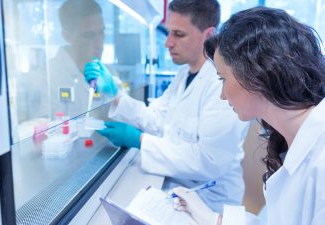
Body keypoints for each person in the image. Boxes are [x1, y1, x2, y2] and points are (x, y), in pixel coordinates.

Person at [85, 0, 249, 213]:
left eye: (178, 34)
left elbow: (208, 161)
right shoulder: (183, 75)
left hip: (209, 203)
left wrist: (139, 140)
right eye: (168, 32)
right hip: (177, 188)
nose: (168, 43)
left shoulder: (222, 83)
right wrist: (115, 95)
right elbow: (156, 118)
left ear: (208, 35)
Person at [172, 6, 325, 225]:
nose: (223, 96)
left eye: (223, 79)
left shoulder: (321, 158)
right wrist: (212, 219)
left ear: (258, 75)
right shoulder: (287, 139)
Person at [48, 0, 117, 119]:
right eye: (89, 35)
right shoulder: (48, 77)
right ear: (67, 36)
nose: (99, 44)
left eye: (101, 33)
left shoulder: (108, 73)